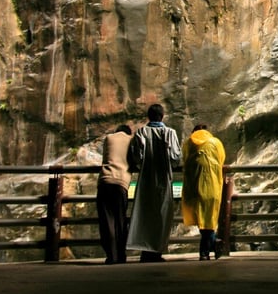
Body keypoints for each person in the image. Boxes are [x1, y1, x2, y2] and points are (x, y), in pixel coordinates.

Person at [127, 103, 181, 262]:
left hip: (146, 179)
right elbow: (175, 158)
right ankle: (157, 250)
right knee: (162, 214)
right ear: (162, 116)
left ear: (148, 117)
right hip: (164, 178)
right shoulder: (170, 133)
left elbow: (137, 157)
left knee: (145, 213)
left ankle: (145, 251)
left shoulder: (141, 132)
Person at [181, 124, 226, 261]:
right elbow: (221, 158)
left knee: (203, 220)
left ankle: (208, 248)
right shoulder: (215, 142)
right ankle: (207, 249)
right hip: (211, 186)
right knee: (209, 219)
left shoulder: (188, 143)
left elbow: (184, 158)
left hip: (193, 187)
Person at [96, 124, 134, 264]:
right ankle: (121, 255)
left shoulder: (109, 138)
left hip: (105, 180)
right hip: (121, 183)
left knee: (107, 221)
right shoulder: (131, 140)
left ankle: (111, 256)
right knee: (120, 221)